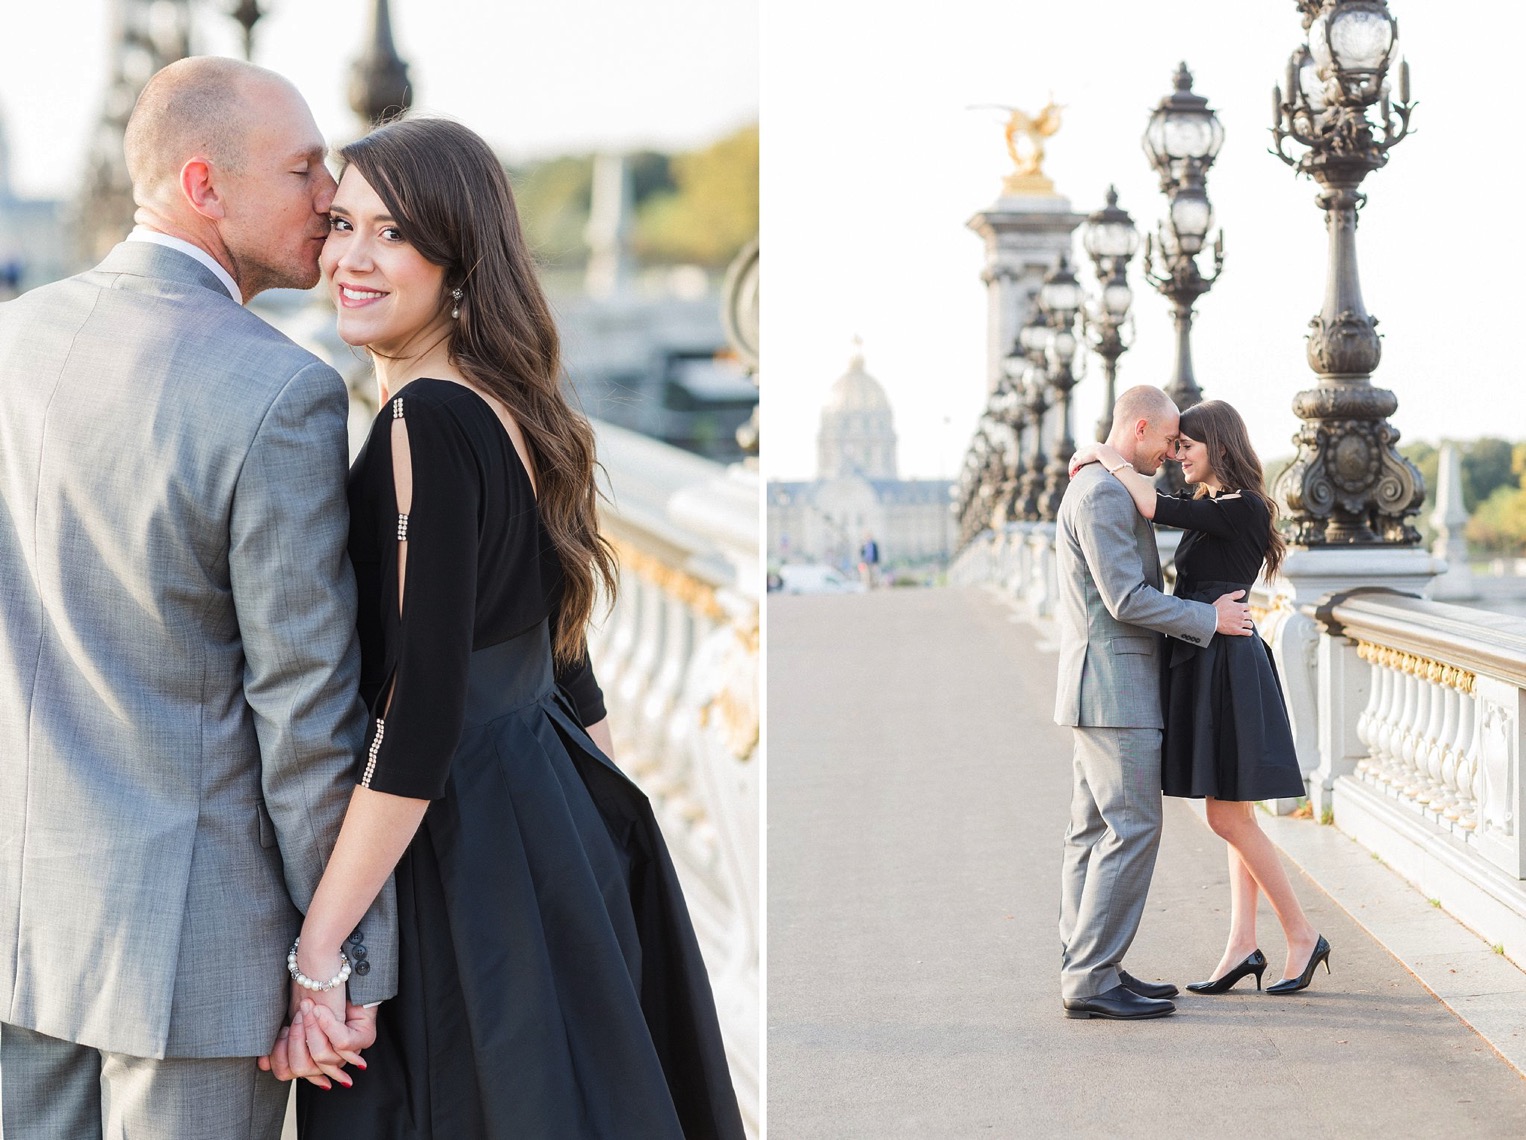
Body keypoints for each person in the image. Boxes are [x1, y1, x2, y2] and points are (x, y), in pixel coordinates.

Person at [264, 117, 744, 1139]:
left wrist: (318, 956)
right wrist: (595, 838)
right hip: (541, 805)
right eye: (342, 223)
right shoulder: (509, 405)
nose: (350, 257)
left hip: (464, 839)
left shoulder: (425, 420)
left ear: (456, 255)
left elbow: (423, 710)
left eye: (390, 235)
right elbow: (563, 659)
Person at [0, 57, 394, 1138]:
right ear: (203, 184)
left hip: (22, 921)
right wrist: (338, 963)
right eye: (305, 169)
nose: (332, 196)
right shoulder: (279, 391)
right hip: (191, 953)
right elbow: (305, 709)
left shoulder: (12, 343)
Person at [1070, 399, 1329, 996]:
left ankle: (1301, 933)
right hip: (1209, 654)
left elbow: (1153, 505)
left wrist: (1104, 455)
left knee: (1226, 814)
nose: (1177, 455)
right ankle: (1243, 944)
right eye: (1174, 444)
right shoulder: (1216, 508)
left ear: (1220, 446)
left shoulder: (1242, 507)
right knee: (1234, 810)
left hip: (1227, 661)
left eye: (1188, 446)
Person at [1052, 385, 1254, 1021]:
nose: (1172, 454)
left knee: (1092, 832)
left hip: (1099, 686)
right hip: (1118, 690)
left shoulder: (1097, 483)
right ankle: (1090, 977)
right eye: (1168, 441)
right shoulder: (1104, 493)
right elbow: (1126, 599)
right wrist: (1208, 618)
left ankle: (1091, 962)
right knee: (1133, 827)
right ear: (1140, 428)